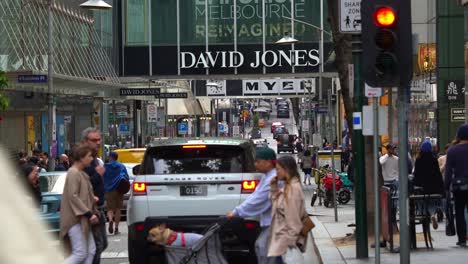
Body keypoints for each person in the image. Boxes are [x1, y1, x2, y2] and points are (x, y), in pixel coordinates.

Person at [226, 147, 277, 264]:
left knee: (264, 248)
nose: (255, 164)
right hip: (271, 222)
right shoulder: (267, 176)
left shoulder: (272, 179)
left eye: (258, 161)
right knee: (262, 247)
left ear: (269, 162)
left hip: (276, 223)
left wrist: (236, 212)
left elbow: (258, 200)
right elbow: (254, 196)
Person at [60, 145, 100, 264]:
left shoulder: (80, 173)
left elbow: (81, 194)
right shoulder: (74, 173)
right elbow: (73, 196)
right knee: (81, 253)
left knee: (90, 250)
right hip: (75, 219)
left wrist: (92, 198)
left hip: (81, 219)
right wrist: (89, 214)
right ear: (81, 158)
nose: (92, 159)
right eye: (89, 156)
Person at [268, 156, 307, 263]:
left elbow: (293, 219)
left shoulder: (292, 190)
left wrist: (290, 242)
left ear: (286, 169)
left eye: (278, 169)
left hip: (285, 242)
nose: (276, 173)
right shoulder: (287, 187)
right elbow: (276, 204)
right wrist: (274, 187)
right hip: (282, 241)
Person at [81, 127, 107, 263]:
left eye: (99, 139)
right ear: (85, 141)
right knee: (97, 246)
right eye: (94, 140)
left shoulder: (95, 158)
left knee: (102, 244)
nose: (98, 142)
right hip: (90, 208)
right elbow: (82, 185)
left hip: (99, 207)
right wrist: (98, 175)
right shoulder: (83, 160)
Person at [445, 124, 468, 247]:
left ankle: (462, 239)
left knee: (459, 212)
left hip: (459, 187)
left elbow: (448, 172)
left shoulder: (452, 150)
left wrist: (446, 187)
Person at [413, 140, 444, 229]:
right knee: (433, 202)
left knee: (421, 201)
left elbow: (416, 175)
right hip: (433, 188)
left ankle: (423, 215)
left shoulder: (418, 160)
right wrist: (441, 187)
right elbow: (438, 174)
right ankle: (432, 214)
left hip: (422, 188)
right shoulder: (434, 159)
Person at [104, 151, 129, 235]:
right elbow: (126, 177)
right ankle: (116, 228)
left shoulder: (106, 166)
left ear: (110, 157)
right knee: (118, 209)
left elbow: (102, 176)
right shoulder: (121, 166)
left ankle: (110, 220)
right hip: (119, 189)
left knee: (110, 209)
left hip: (109, 190)